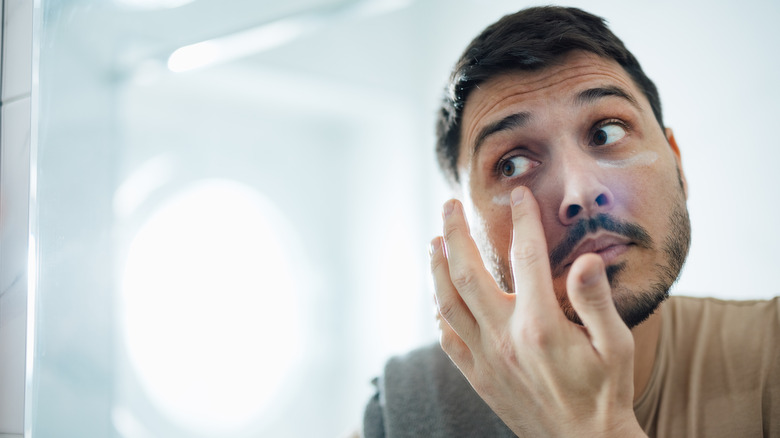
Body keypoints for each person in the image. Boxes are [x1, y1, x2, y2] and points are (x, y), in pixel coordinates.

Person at [362, 6, 780, 437]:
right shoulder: (404, 409)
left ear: (678, 163)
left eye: (606, 132)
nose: (580, 193)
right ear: (469, 231)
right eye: (513, 164)